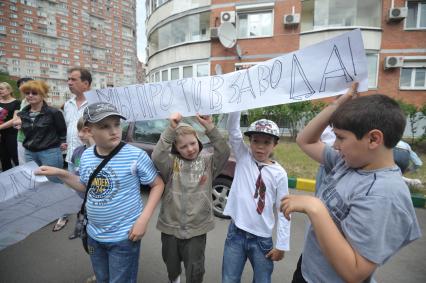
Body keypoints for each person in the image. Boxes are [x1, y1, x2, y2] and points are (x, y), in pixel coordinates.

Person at [281, 83, 422, 283]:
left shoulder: (384, 194)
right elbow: (306, 140)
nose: (335, 146)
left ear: (373, 139)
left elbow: (355, 272)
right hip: (309, 271)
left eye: (340, 138)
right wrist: (340, 103)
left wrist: (316, 208)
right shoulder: (349, 162)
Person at [35, 102, 165, 283]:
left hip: (124, 237)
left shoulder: (135, 156)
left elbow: (157, 185)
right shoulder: (87, 156)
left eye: (117, 124)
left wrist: (143, 220)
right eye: (105, 126)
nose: (114, 131)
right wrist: (61, 173)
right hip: (94, 235)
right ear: (88, 131)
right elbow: (85, 187)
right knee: (102, 277)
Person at [151, 112, 230, 283]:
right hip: (170, 226)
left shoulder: (208, 162)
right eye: (183, 147)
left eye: (193, 143)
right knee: (171, 264)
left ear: (198, 141)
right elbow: (157, 156)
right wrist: (171, 128)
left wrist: (209, 127)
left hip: (197, 228)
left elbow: (224, 151)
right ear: (176, 148)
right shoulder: (171, 163)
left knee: (195, 268)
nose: (190, 149)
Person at [222, 112, 290, 283]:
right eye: (255, 141)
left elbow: (284, 210)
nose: (260, 147)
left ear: (275, 144)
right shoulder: (243, 157)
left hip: (262, 240)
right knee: (229, 278)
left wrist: (282, 244)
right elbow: (233, 130)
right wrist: (238, 105)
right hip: (236, 234)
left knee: (262, 280)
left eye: (267, 142)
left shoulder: (279, 174)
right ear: (249, 142)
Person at [15, 80, 66, 184]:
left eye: (34, 93)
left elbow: (62, 131)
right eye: (27, 93)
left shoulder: (54, 112)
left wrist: (61, 143)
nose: (30, 95)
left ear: (42, 95)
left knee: (53, 182)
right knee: (35, 183)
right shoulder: (23, 113)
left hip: (49, 152)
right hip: (29, 152)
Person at [68, 117, 95, 240]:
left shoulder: (104, 153)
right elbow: (75, 170)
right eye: (79, 130)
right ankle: (79, 231)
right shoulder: (78, 151)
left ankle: (89, 235)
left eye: (84, 131)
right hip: (80, 194)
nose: (79, 134)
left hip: (95, 198)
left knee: (92, 218)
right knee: (81, 214)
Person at [64, 67, 91, 172]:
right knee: (74, 186)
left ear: (86, 84)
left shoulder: (95, 103)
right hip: (71, 156)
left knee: (86, 186)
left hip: (88, 157)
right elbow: (69, 127)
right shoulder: (68, 104)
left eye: (73, 80)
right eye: (69, 79)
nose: (69, 83)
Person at [0, 82, 21, 171]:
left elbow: (14, 120)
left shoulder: (17, 102)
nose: (0, 91)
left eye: (1, 88)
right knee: (4, 159)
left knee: (16, 158)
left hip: (12, 134)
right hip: (1, 136)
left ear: (9, 90)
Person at [15, 78, 33, 165]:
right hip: (21, 137)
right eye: (20, 85)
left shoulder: (36, 101)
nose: (22, 87)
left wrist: (20, 122)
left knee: (32, 165)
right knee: (23, 164)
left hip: (32, 139)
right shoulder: (23, 101)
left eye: (25, 84)